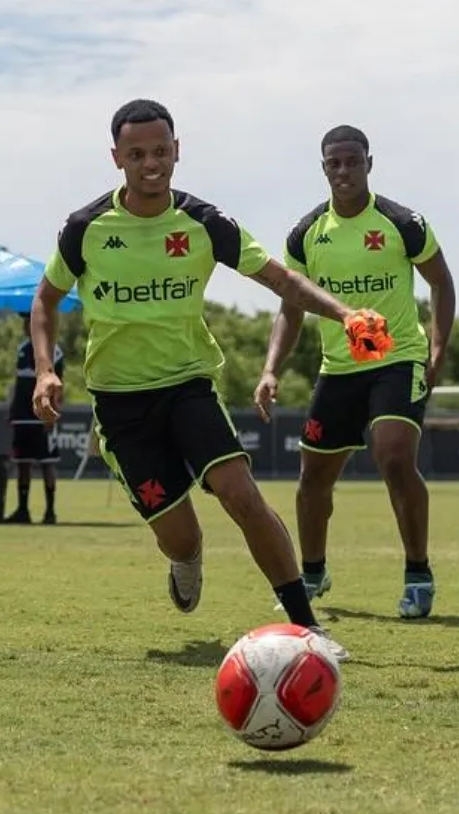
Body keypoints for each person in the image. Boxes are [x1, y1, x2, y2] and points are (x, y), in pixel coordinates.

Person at [29, 99, 393, 663]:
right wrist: (47, 370)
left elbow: (281, 279)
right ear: (116, 158)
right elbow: (45, 302)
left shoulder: (204, 222)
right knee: (182, 537)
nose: (151, 163)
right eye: (136, 154)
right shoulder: (86, 228)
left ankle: (307, 627)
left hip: (189, 387)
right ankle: (186, 557)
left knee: (240, 494)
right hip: (121, 405)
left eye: (160, 151)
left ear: (177, 151)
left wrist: (344, 314)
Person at [254, 125, 456, 620]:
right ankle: (313, 572)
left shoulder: (401, 222)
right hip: (340, 369)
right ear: (324, 168)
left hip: (397, 358)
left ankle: (417, 574)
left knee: (392, 456)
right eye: (334, 164)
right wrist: (270, 369)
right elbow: (292, 308)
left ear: (369, 163)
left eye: (353, 161)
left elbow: (441, 283)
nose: (344, 171)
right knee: (312, 479)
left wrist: (436, 347)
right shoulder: (305, 235)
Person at [7, 312, 63, 525]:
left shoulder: (54, 351)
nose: (25, 325)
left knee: (47, 464)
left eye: (29, 321)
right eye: (24, 321)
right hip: (22, 417)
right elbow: (18, 385)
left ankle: (50, 511)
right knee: (23, 464)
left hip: (42, 417)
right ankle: (23, 510)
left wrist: (53, 413)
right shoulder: (22, 350)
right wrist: (12, 411)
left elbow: (59, 385)